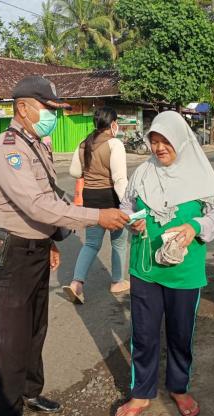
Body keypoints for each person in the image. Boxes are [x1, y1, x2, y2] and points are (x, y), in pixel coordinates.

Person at [0, 75, 129, 416]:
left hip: (32, 247)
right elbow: (36, 204)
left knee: (35, 328)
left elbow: (51, 195)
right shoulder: (8, 149)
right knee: (9, 341)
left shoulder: (37, 144)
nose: (53, 116)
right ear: (24, 108)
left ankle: (30, 393)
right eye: (48, 109)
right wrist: (98, 216)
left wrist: (52, 241)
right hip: (9, 253)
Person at [115, 111, 214, 416]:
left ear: (180, 139)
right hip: (145, 269)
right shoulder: (142, 174)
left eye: (165, 141)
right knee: (144, 334)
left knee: (181, 334)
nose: (159, 147)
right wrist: (131, 223)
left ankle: (179, 387)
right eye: (154, 141)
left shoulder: (201, 175)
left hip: (184, 272)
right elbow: (126, 207)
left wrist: (194, 226)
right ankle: (141, 392)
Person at [63, 107, 129, 304]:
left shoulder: (84, 144)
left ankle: (76, 284)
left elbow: (75, 172)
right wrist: (127, 206)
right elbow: (119, 180)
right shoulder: (114, 144)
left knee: (91, 243)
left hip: (90, 198)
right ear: (113, 124)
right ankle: (117, 281)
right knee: (118, 242)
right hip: (110, 198)